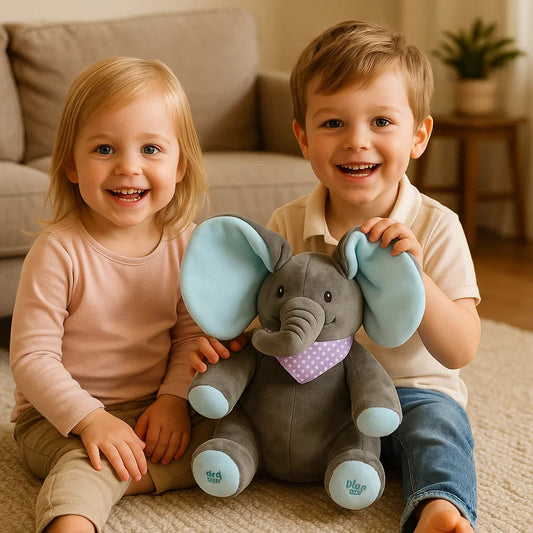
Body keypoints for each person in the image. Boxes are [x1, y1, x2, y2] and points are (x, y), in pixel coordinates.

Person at [190, 21, 481, 533]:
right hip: (313, 394)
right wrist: (222, 346)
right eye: (333, 124)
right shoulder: (287, 223)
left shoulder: (437, 225)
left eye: (381, 121)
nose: (357, 141)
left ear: (418, 136)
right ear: (303, 138)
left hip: (411, 392)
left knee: (439, 432)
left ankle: (440, 507)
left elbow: (460, 350)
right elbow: (264, 320)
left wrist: (416, 275)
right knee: (232, 411)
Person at [10, 56, 218, 533]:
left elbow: (191, 338)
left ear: (180, 165)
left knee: (234, 434)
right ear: (71, 165)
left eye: (151, 149)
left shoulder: (187, 244)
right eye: (104, 149)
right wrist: (92, 420)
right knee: (89, 465)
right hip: (59, 416)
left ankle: (132, 469)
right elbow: (32, 358)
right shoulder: (58, 250)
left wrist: (172, 401)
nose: (128, 167)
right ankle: (76, 516)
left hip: (154, 406)